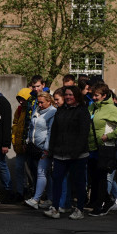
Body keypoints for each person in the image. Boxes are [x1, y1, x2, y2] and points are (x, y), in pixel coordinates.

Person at [44, 86, 90, 220]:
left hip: (77, 155)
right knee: (57, 180)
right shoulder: (61, 110)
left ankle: (79, 209)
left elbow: (83, 134)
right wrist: (51, 150)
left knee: (78, 182)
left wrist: (76, 152)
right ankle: (55, 208)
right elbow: (54, 132)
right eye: (67, 95)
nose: (68, 97)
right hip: (60, 153)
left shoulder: (82, 111)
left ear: (76, 96)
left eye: (71, 95)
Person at [86, 82, 117, 216]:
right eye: (92, 95)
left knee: (102, 177)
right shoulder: (92, 107)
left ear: (104, 95)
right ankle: (107, 201)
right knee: (94, 177)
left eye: (96, 95)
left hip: (105, 147)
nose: (94, 97)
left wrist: (109, 136)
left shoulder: (111, 109)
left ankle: (100, 206)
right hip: (92, 147)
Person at [23, 91, 55, 210]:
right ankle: (50, 198)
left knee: (41, 172)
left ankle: (36, 199)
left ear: (49, 101)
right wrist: (28, 140)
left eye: (42, 102)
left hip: (44, 149)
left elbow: (50, 131)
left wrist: (46, 149)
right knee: (45, 174)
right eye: (38, 102)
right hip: (34, 147)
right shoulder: (36, 110)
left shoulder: (52, 112)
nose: (40, 104)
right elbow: (32, 127)